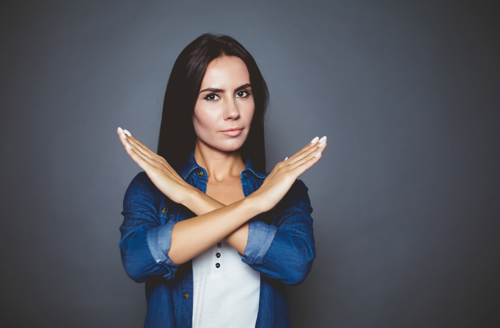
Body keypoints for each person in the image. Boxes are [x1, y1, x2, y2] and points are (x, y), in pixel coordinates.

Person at [117, 33, 327, 328]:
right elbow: (138, 261)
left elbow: (294, 265)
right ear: (186, 105)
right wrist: (255, 205)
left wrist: (190, 197)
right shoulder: (150, 189)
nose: (233, 112)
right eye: (212, 96)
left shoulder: (285, 191)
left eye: (243, 93)